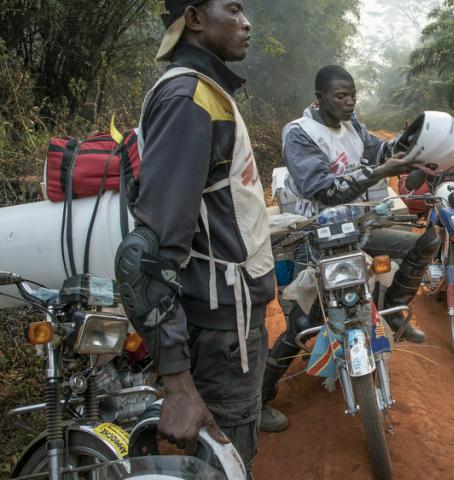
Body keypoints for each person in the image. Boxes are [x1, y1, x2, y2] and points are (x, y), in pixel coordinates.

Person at [118, 0, 274, 474]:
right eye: (233, 9)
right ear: (195, 19)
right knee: (226, 464)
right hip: (220, 331)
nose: (247, 23)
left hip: (231, 321)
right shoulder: (189, 99)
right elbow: (153, 251)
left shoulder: (207, 92)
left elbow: (217, 210)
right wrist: (179, 385)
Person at [260, 65, 440, 432]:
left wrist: (412, 142)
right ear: (320, 97)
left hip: (356, 227)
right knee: (304, 321)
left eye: (352, 94)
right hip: (310, 233)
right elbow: (323, 189)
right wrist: (379, 172)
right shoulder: (299, 133)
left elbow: (381, 150)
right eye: (340, 96)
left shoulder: (354, 125)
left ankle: (390, 311)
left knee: (426, 241)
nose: (349, 101)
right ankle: (259, 399)